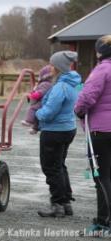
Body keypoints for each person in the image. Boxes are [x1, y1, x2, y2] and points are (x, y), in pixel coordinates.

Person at [35, 51, 81, 217]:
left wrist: (37, 114)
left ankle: (57, 205)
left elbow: (49, 112)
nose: (50, 67)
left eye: (52, 64)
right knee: (59, 165)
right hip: (68, 128)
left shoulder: (60, 87)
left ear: (58, 67)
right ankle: (66, 202)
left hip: (54, 131)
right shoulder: (73, 83)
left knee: (51, 168)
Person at [74, 35, 111, 234]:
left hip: (101, 131)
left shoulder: (102, 69)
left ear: (100, 52)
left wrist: (78, 111)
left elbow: (87, 96)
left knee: (102, 177)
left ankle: (104, 223)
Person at [21, 65, 54, 134]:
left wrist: (31, 96)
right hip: (43, 101)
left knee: (33, 108)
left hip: (43, 102)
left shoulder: (45, 84)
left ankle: (29, 121)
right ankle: (35, 128)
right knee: (37, 114)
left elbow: (40, 93)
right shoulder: (46, 83)